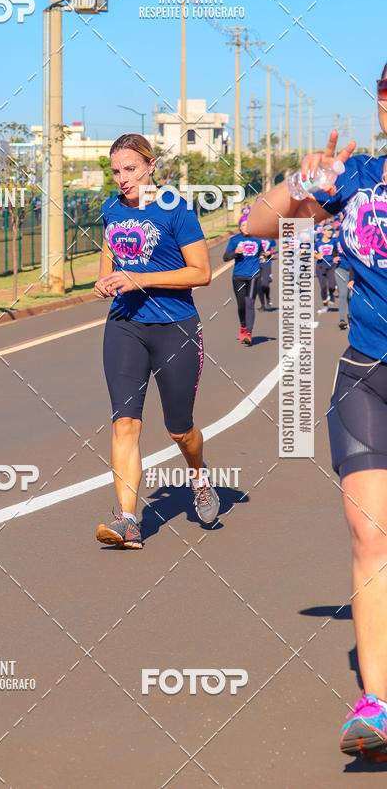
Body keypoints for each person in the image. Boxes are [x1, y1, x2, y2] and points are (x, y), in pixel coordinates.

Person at [247, 62, 387, 761]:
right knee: (370, 538)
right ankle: (378, 708)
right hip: (368, 374)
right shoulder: (359, 176)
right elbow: (258, 223)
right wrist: (303, 182)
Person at [94, 133, 218, 549]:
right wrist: (107, 280)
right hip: (125, 325)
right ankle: (129, 520)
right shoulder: (111, 209)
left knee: (179, 430)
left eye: (129, 169)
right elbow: (111, 256)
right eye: (115, 171)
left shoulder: (175, 208)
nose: (122, 179)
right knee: (124, 421)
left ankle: (198, 477)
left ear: (150, 165)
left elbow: (201, 272)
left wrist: (140, 279)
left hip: (175, 328)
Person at [222, 217, 263, 345]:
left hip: (254, 275)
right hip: (238, 277)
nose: (246, 227)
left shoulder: (257, 239)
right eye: (243, 225)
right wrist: (235, 252)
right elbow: (225, 258)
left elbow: (261, 252)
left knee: (250, 303)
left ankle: (249, 333)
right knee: (241, 305)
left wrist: (264, 255)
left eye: (248, 225)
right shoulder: (234, 240)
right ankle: (243, 326)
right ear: (240, 227)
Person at [314, 223, 339, 311]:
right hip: (321, 266)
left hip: (331, 265)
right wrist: (317, 256)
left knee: (332, 286)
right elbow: (314, 252)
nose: (330, 232)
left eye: (331, 230)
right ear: (323, 231)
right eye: (328, 230)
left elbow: (337, 252)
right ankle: (325, 305)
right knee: (323, 287)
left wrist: (336, 257)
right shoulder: (318, 242)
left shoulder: (334, 241)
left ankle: (331, 294)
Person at [334, 224, 354, 330]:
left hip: (353, 271)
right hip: (340, 269)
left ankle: (351, 317)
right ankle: (342, 319)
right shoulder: (336, 240)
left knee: (351, 296)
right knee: (343, 294)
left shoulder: (354, 240)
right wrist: (334, 257)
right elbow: (332, 252)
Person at [257, 238, 276, 310]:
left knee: (265, 284)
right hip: (254, 264)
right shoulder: (253, 238)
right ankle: (262, 304)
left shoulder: (269, 237)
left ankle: (268, 298)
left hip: (266, 264)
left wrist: (270, 252)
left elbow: (275, 248)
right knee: (258, 285)